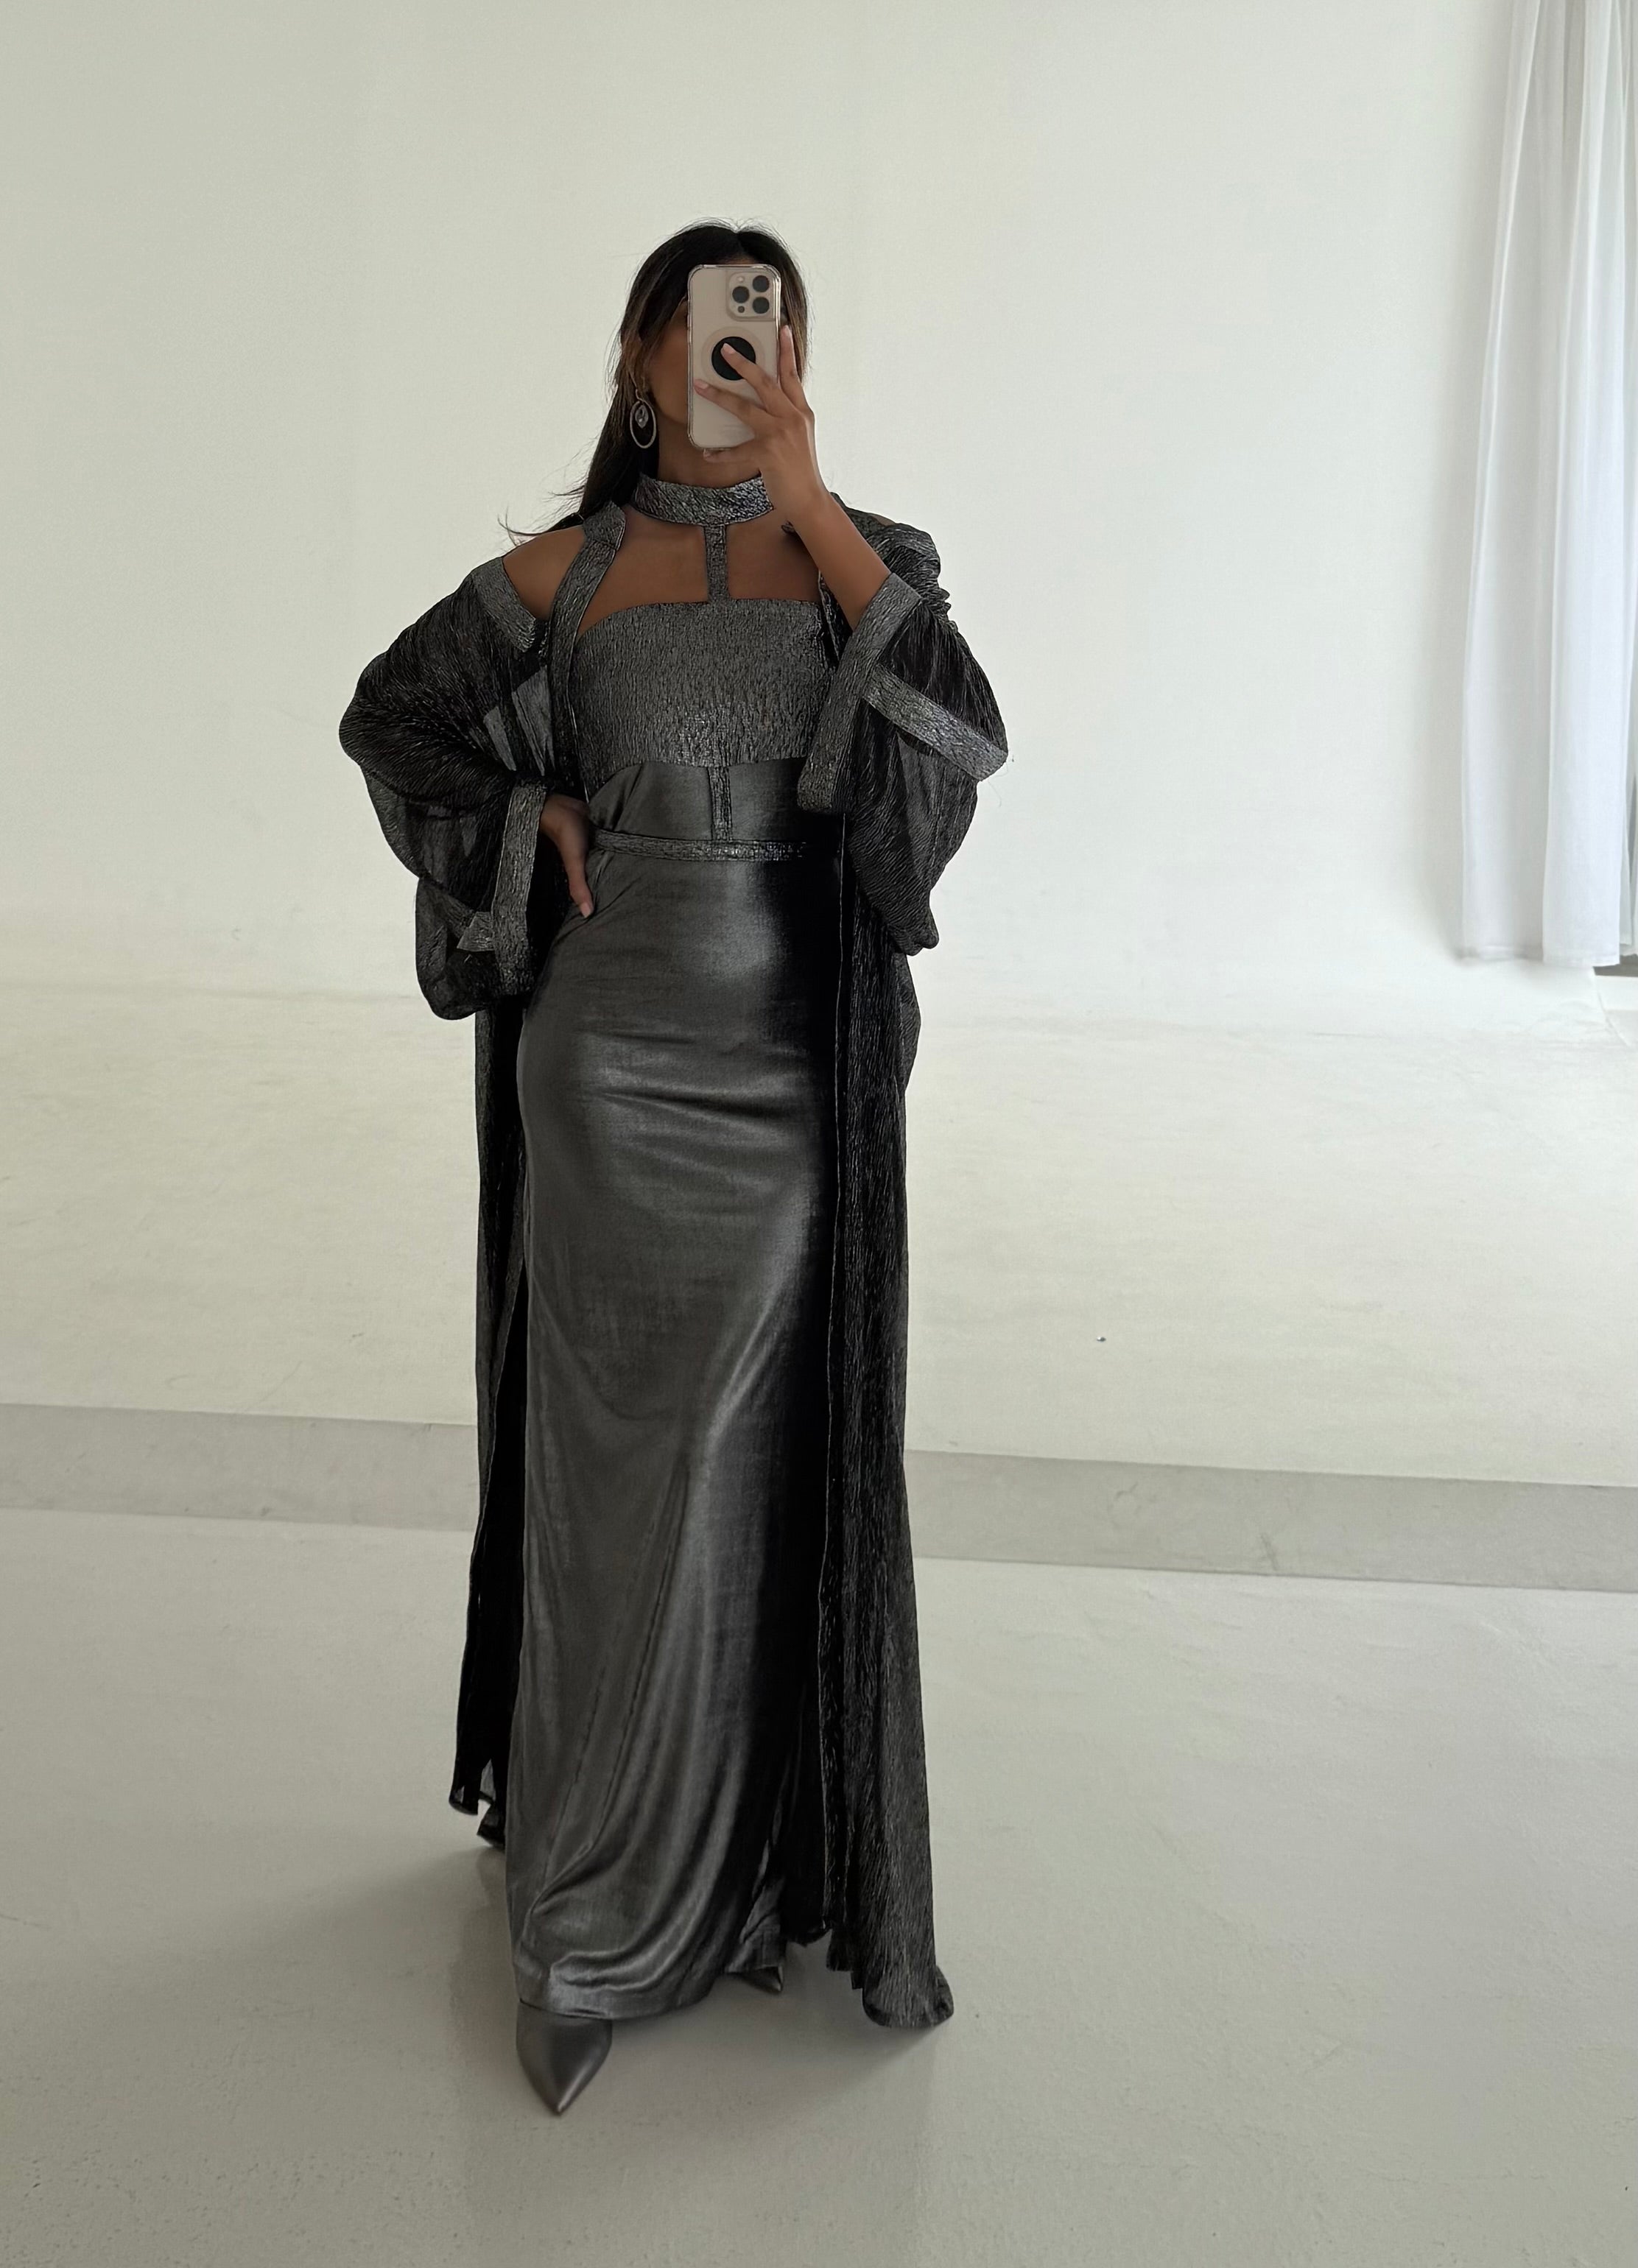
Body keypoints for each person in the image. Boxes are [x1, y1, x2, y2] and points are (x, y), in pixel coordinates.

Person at [338, 221, 1008, 2115]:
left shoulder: (863, 560)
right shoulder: (566, 575)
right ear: (641, 353)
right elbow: (391, 718)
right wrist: (522, 815)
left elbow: (959, 730)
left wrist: (807, 496)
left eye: (771, 323)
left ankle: (735, 1874)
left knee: (743, 1464)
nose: (742, 349)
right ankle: (578, 1917)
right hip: (606, 1062)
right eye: (711, 323)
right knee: (602, 1474)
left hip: (786, 1076)